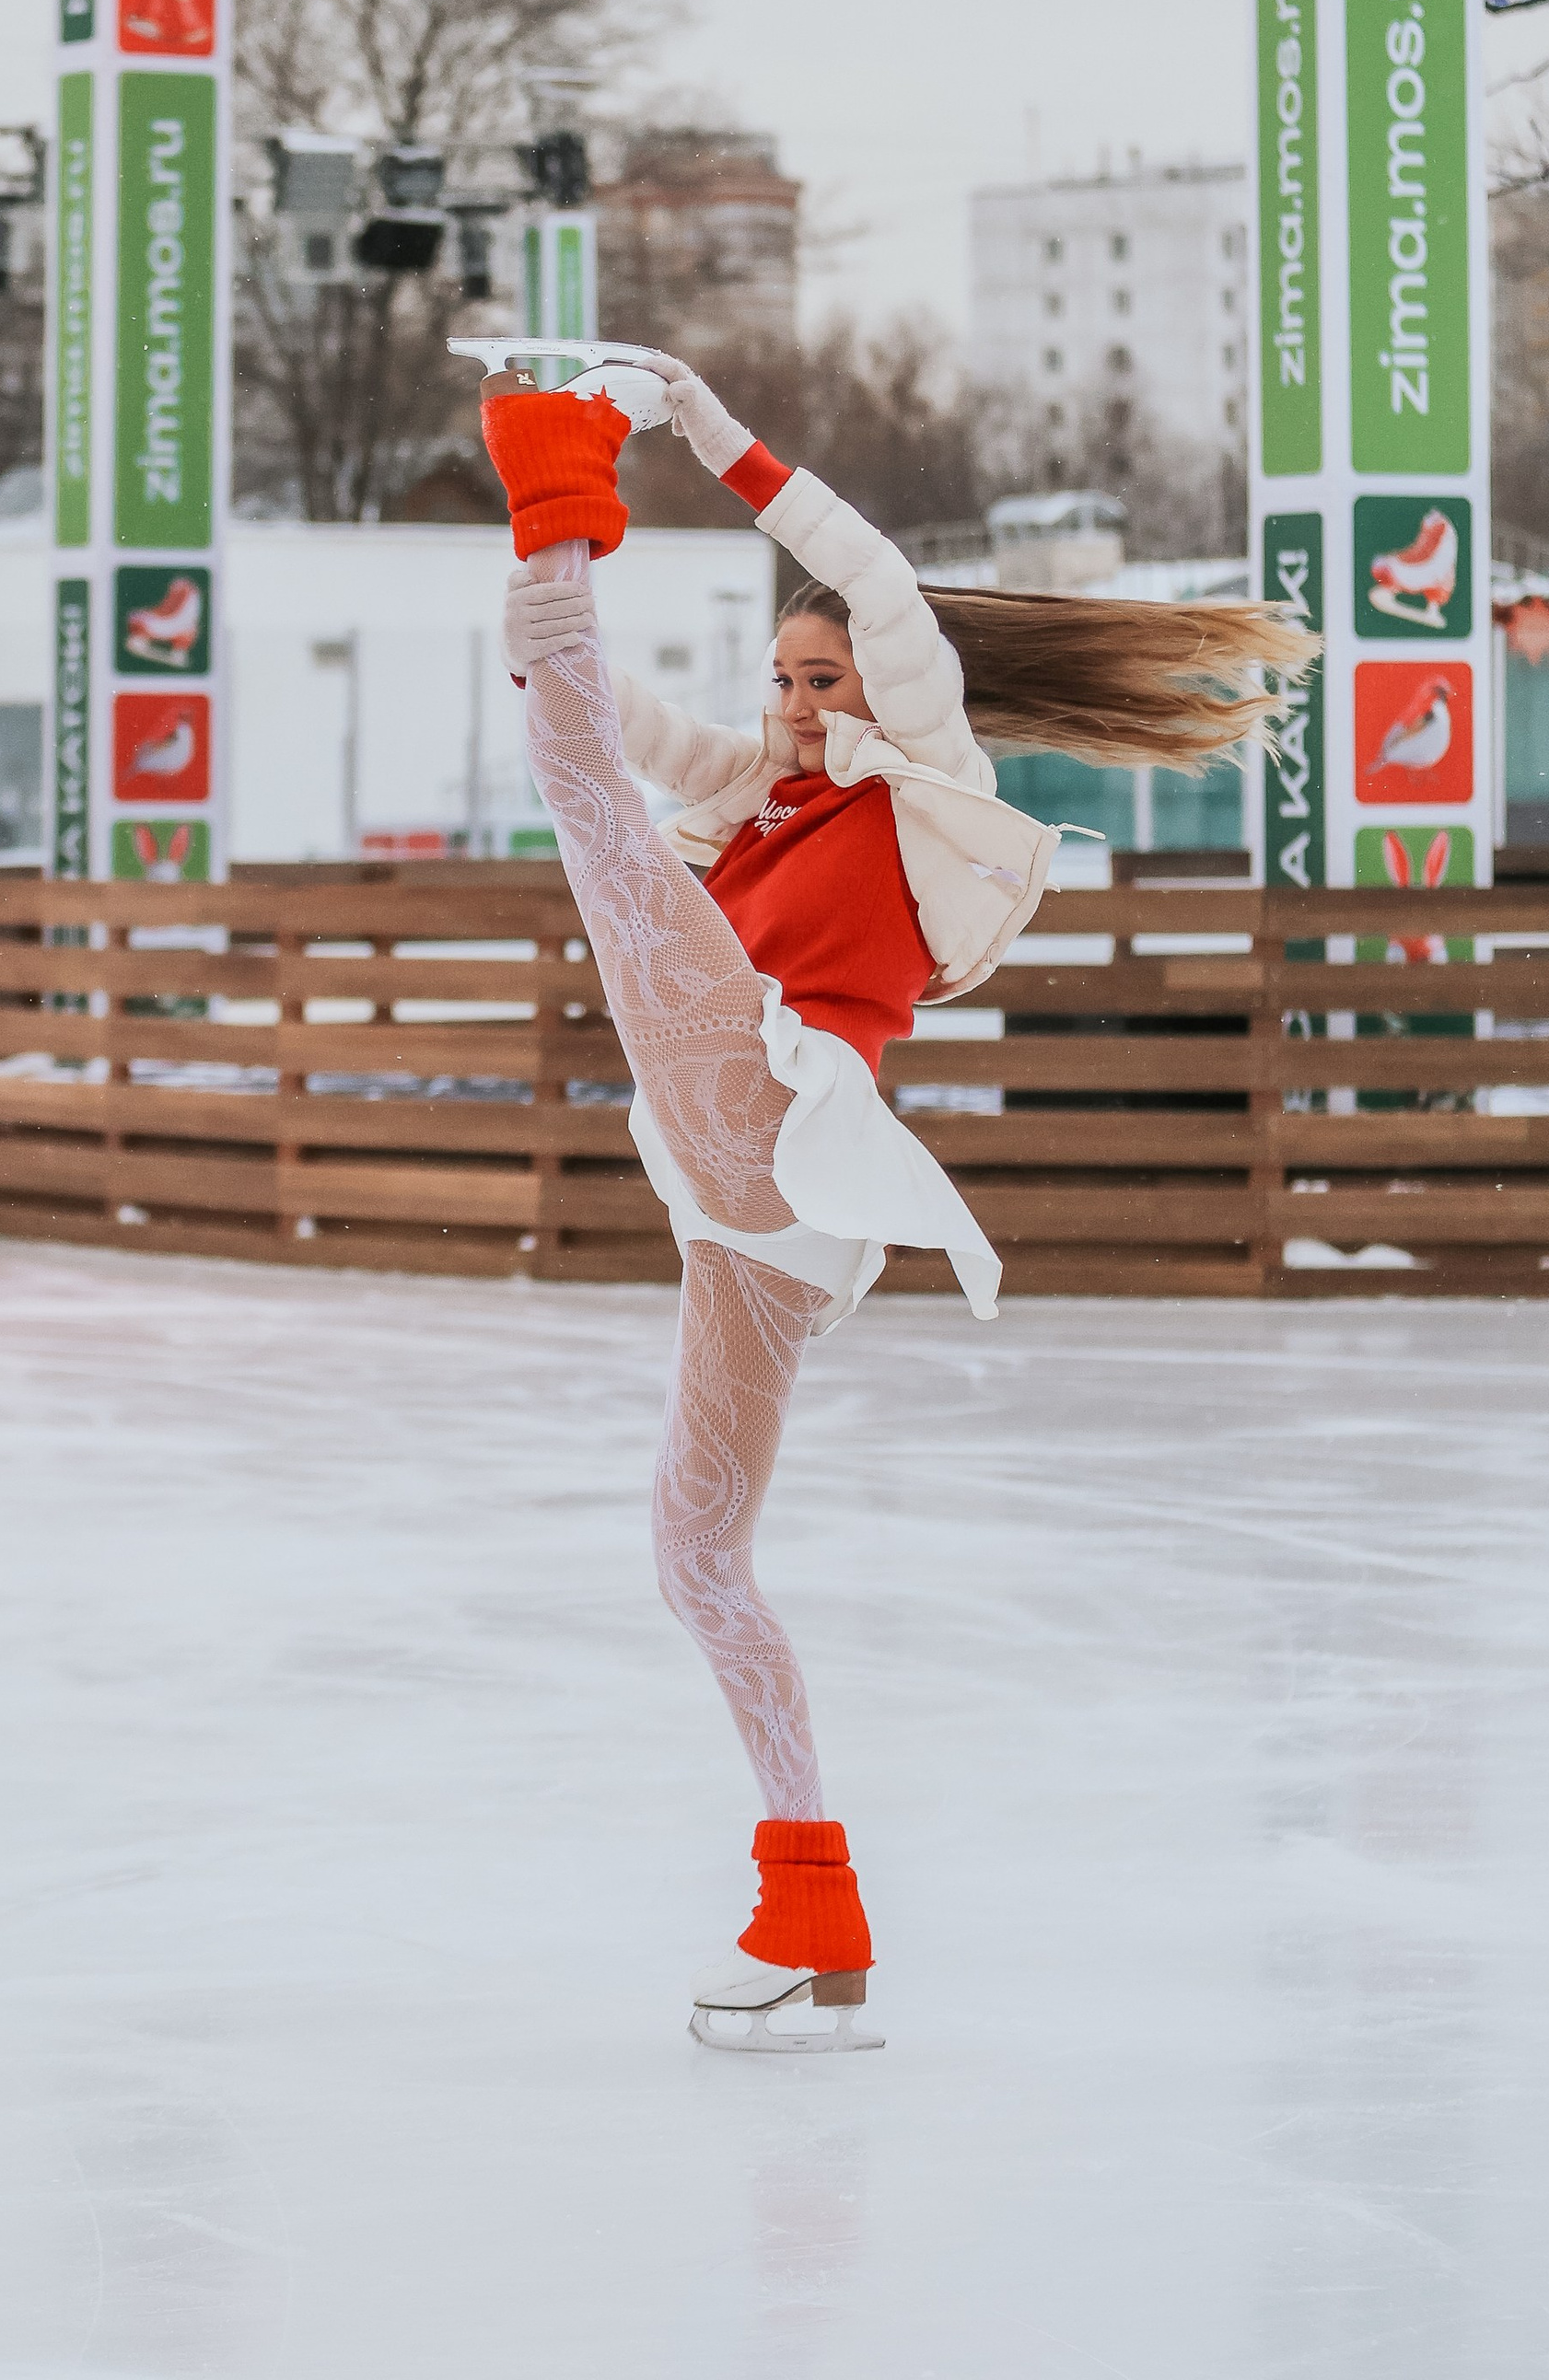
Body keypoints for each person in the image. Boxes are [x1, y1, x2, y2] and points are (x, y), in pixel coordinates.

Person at [479, 353, 1313, 2050]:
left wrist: (699, 435)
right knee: (696, 1556)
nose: (798, 697)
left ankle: (557, 475)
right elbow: (601, 715)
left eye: (823, 670)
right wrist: (531, 607)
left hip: (778, 1106)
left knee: (585, 812)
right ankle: (814, 1903)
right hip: (761, 1217)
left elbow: (853, 583)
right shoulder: (760, 796)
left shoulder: (935, 793)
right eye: (785, 675)